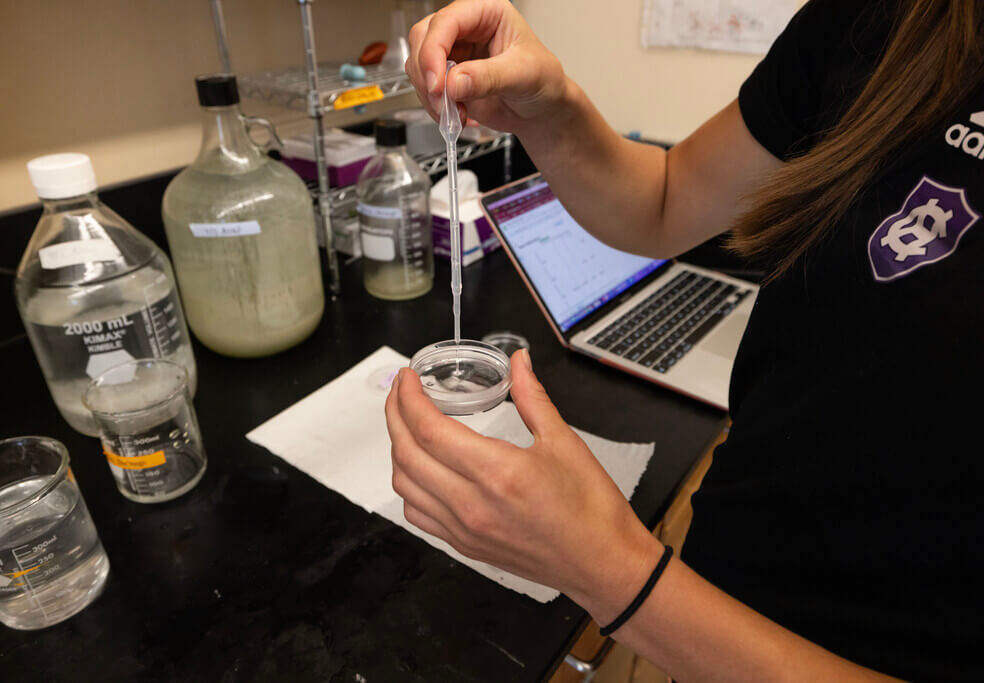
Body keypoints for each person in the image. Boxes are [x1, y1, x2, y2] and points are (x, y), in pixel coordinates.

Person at [385, 0, 984, 680]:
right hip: (707, 601)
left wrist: (610, 569)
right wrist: (547, 107)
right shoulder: (881, 20)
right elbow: (668, 199)